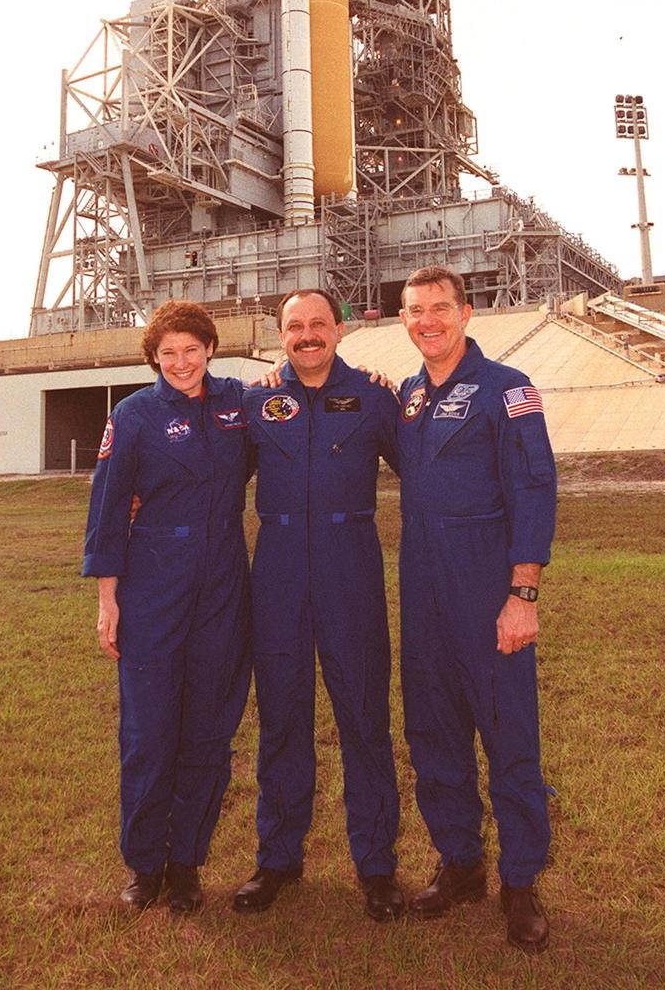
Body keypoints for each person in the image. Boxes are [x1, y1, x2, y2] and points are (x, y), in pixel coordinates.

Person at [396, 265, 556, 953]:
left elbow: (534, 486)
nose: (427, 320)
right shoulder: (404, 395)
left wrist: (522, 594)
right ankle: (460, 864)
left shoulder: (507, 389)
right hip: (422, 589)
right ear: (402, 320)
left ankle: (519, 882)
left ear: (465, 313)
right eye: (414, 310)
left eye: (439, 307)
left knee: (508, 739)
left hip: (487, 587)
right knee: (433, 735)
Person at [232, 289, 404, 921]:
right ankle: (277, 857)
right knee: (281, 717)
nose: (307, 335)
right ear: (280, 335)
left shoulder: (376, 396)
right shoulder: (257, 402)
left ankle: (377, 865)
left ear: (340, 329)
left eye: (318, 324)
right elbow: (214, 475)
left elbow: (426, 469)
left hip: (349, 563)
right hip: (276, 565)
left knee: (363, 714)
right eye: (294, 327)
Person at [83, 301, 251, 913]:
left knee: (209, 729)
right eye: (168, 353)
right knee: (149, 732)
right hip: (154, 581)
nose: (181, 362)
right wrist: (109, 600)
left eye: (192, 349)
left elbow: (293, 403)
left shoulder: (236, 402)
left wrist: (365, 377)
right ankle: (145, 864)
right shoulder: (132, 415)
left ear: (210, 348)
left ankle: (187, 863)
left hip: (224, 581)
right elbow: (106, 510)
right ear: (153, 357)